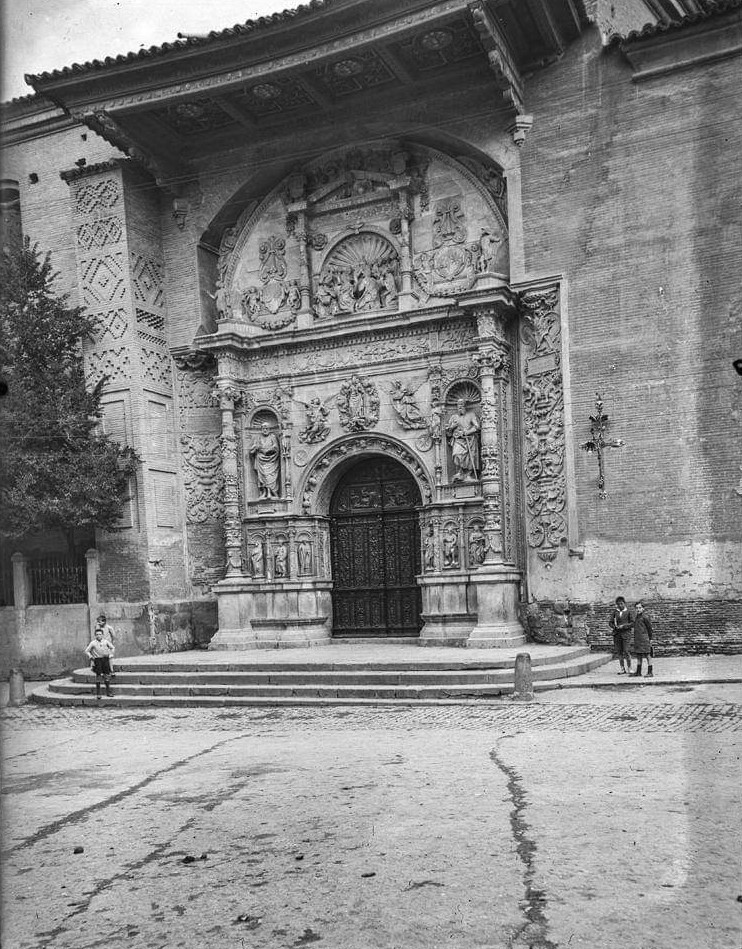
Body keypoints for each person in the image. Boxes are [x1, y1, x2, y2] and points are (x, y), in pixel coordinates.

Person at [446, 399, 480, 482]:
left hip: (469, 440)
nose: (460, 407)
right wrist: (452, 427)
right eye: (459, 406)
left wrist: (467, 432)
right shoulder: (454, 417)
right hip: (458, 440)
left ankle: (468, 474)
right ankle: (459, 472)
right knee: (456, 454)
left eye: (462, 405)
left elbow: (477, 427)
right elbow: (448, 432)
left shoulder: (471, 415)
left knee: (470, 457)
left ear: (465, 406)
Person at [249, 422, 281, 499]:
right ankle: (264, 492)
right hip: (261, 460)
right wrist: (256, 448)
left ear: (269, 429)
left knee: (269, 476)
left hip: (271, 460)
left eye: (266, 428)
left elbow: (276, 448)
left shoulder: (273, 437)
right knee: (262, 477)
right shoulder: (258, 438)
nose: (265, 430)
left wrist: (268, 450)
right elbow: (252, 450)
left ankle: (271, 493)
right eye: (263, 428)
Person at [85, 627, 115, 699]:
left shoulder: (106, 641)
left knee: (106, 675)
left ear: (102, 635)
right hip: (98, 660)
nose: (98, 636)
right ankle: (98, 693)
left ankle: (108, 692)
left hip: (105, 659)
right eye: (97, 634)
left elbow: (112, 647)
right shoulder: (93, 643)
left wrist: (111, 654)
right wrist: (90, 656)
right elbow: (86, 651)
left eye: (100, 634)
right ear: (95, 635)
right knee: (98, 676)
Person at [608, 596, 633, 674]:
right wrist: (614, 627)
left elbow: (632, 623)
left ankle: (629, 668)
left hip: (626, 634)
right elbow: (610, 622)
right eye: (618, 604)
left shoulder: (628, 612)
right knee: (619, 652)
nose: (620, 605)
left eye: (621, 603)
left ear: (624, 603)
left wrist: (624, 626)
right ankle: (622, 668)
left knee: (626, 651)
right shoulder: (615, 612)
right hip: (617, 634)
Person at [631, 601, 654, 678]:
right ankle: (638, 672)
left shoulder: (645, 617)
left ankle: (650, 672)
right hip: (638, 639)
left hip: (645, 639)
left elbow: (650, 629)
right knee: (638, 655)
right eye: (637, 608)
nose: (638, 609)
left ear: (643, 609)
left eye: (640, 608)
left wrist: (650, 639)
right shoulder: (636, 617)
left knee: (647, 655)